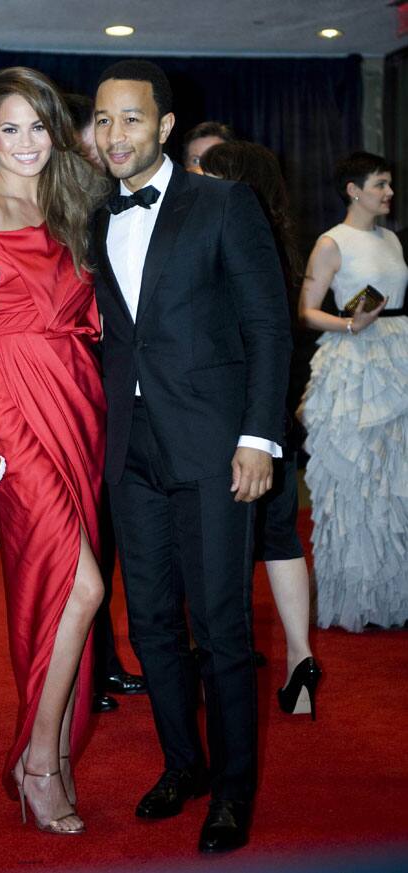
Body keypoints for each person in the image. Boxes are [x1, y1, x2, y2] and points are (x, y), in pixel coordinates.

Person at [93, 60, 292, 853]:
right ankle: (185, 764)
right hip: (130, 454)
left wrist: (258, 436)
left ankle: (234, 790)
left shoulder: (223, 203)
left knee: (221, 625)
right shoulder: (91, 214)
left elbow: (269, 327)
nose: (115, 135)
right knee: (149, 623)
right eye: (103, 120)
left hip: (215, 449)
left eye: (131, 119)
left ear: (165, 125)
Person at [0, 66, 109, 835]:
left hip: (75, 395)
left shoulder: (66, 202)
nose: (27, 141)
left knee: (65, 581)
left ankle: (55, 751)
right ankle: (39, 760)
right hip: (13, 400)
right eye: (10, 128)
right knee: (82, 587)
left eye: (39, 125)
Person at [200, 141, 321, 719]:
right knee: (280, 538)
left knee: (220, 542)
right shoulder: (282, 240)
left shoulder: (225, 236)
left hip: (233, 414)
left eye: (205, 170)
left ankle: (226, 660)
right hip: (273, 415)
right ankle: (300, 662)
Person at [298, 151, 408, 632]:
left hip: (397, 355)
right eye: (380, 184)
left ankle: (395, 595)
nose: (388, 192)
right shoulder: (331, 242)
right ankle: (357, 597)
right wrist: (349, 323)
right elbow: (306, 311)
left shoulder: (392, 240)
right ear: (353, 189)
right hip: (354, 361)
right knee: (358, 477)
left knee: (394, 480)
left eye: (389, 185)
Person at [64, 91, 146, 713]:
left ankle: (106, 662)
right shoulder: (67, 211)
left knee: (109, 535)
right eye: (94, 130)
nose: (104, 142)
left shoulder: (112, 203)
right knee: (83, 536)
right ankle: (85, 672)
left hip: (115, 389)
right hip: (72, 386)